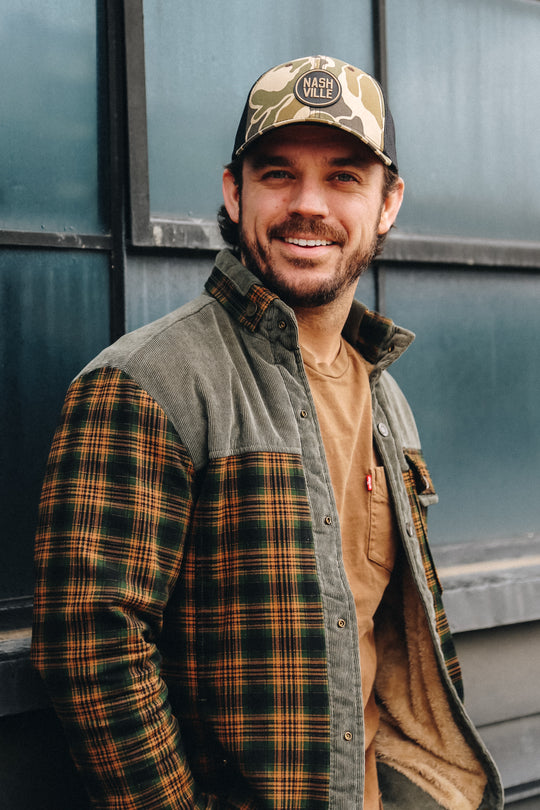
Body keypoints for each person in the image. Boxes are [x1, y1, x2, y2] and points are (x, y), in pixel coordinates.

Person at [31, 55, 502, 810]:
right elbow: (93, 647)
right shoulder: (148, 382)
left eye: (345, 176)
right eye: (278, 173)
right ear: (233, 191)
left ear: (388, 203)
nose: (307, 204)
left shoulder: (386, 397)